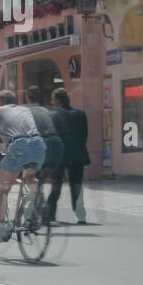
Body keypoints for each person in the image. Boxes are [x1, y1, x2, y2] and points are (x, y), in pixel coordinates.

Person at [0, 89, 45, 248]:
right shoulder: (24, 109)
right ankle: (31, 211)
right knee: (30, 177)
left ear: (0, 101)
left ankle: (1, 228)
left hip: (19, 146)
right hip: (39, 145)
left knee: (3, 189)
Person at [48, 87, 90, 224]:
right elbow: (84, 135)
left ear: (57, 101)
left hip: (59, 154)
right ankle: (80, 214)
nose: (51, 101)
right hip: (78, 153)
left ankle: (50, 214)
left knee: (56, 184)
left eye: (53, 99)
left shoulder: (52, 115)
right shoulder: (80, 113)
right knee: (77, 185)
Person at [25, 85, 64, 198]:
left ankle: (37, 200)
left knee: (30, 176)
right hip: (56, 145)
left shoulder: (25, 111)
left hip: (41, 145)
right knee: (47, 175)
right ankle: (43, 204)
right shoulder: (47, 111)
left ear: (27, 98)